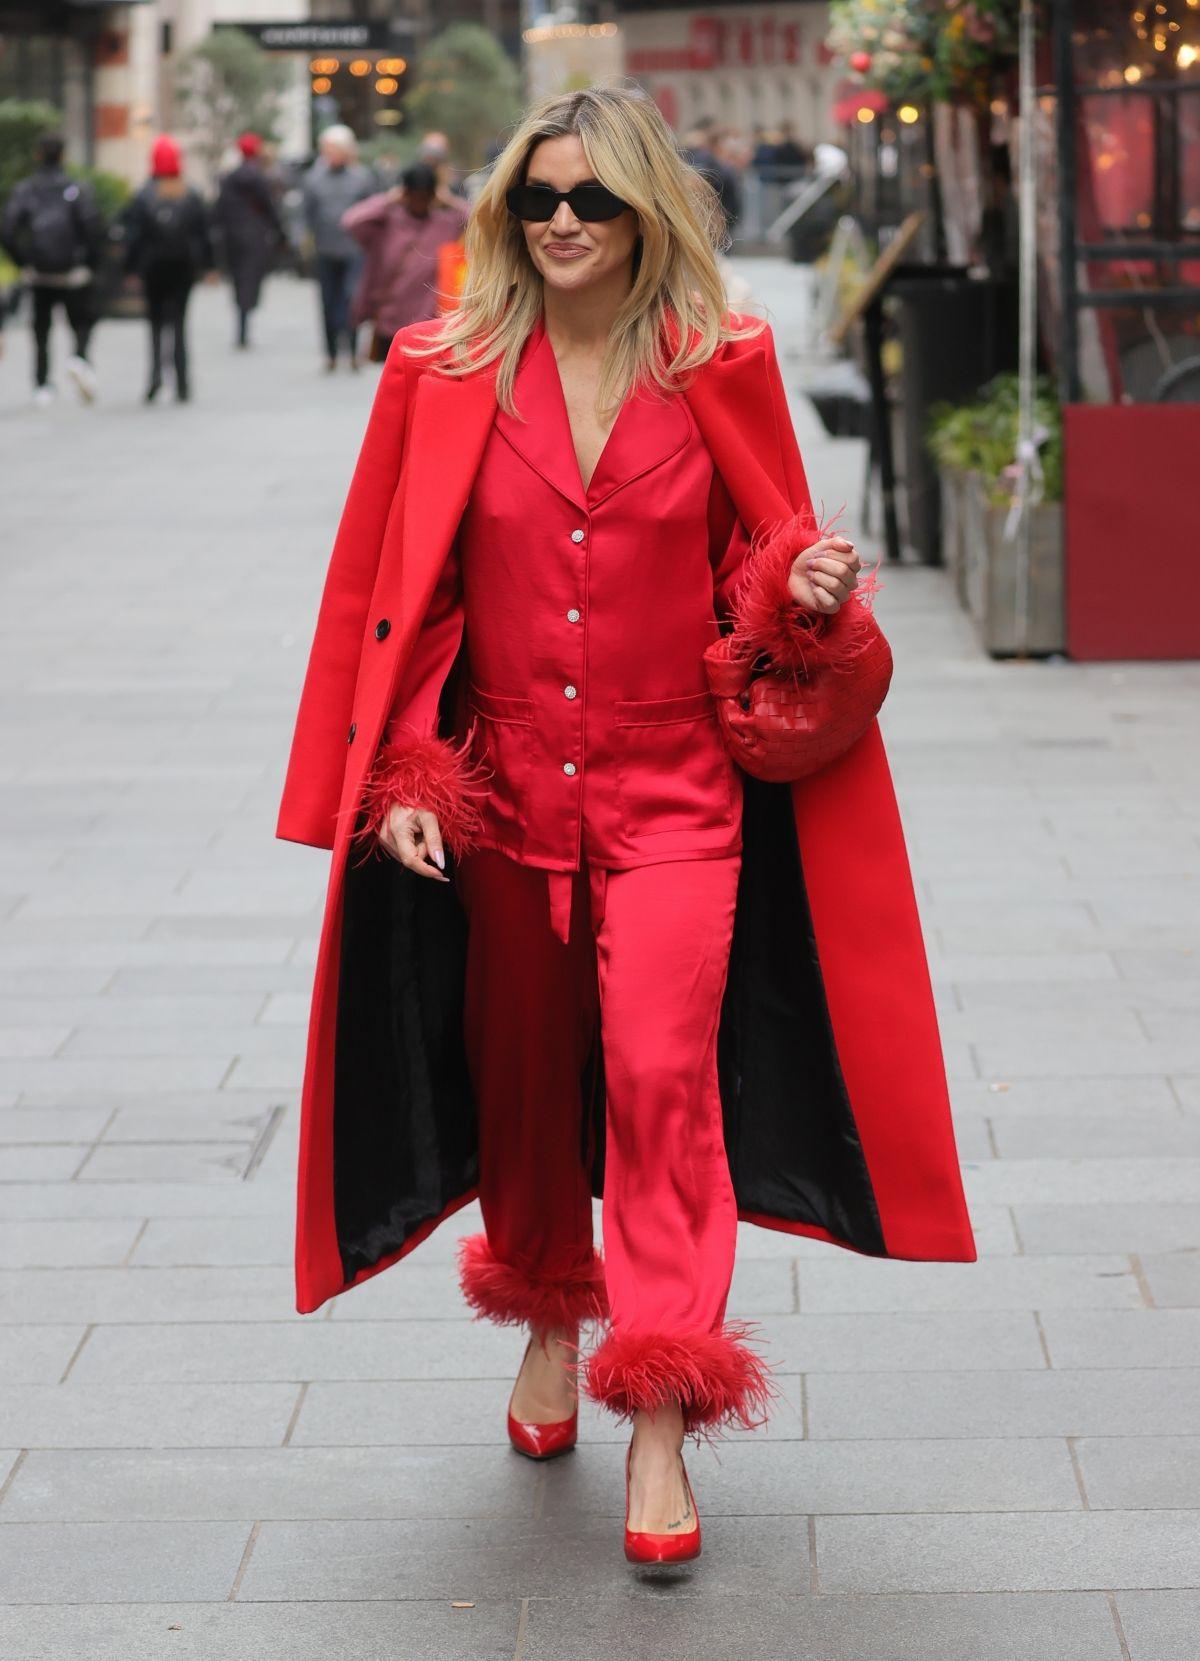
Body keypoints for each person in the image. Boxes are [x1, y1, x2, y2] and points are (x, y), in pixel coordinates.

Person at [275, 84, 975, 1567]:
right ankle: (542, 1304)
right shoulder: (439, 366)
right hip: (508, 795)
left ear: (649, 208)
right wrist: (404, 774)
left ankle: (658, 1405)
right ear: (506, 214)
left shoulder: (723, 361)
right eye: (538, 199)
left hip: (679, 800)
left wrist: (796, 589)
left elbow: (755, 559)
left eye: (593, 199)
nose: (565, 223)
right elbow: (403, 600)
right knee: (524, 1079)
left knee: (663, 1079)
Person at [0, 132, 105, 406]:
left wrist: (24, 263)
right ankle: (80, 360)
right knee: (81, 322)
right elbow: (94, 229)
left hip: (40, 272)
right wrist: (89, 265)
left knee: (41, 329)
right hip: (72, 273)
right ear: (62, 155)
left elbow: (7, 231)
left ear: (38, 155)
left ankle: (42, 384)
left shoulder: (26, 189)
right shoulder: (76, 188)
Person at [341, 162, 469, 360]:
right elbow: (351, 220)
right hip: (391, 320)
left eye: (426, 196)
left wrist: (450, 200)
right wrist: (388, 199)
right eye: (415, 195)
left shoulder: (446, 224)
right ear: (405, 193)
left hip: (429, 321)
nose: (420, 202)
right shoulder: (386, 222)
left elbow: (479, 219)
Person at [121, 135, 213, 404]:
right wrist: (209, 266)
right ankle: (183, 382)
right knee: (181, 324)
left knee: (155, 325)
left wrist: (131, 270)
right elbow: (203, 235)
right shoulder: (191, 194)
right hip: (183, 269)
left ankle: (154, 379)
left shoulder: (143, 196)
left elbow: (134, 237)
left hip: (153, 269)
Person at [302, 124, 375, 372]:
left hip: (355, 250)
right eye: (326, 149)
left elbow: (374, 212)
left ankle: (353, 351)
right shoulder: (313, 179)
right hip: (325, 249)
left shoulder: (362, 178)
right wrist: (302, 238)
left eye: (334, 149)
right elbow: (306, 214)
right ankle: (331, 353)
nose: (329, 154)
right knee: (327, 301)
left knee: (352, 298)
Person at [214, 132, 287, 349]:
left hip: (233, 236)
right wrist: (280, 233)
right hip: (255, 236)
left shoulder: (229, 178)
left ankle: (242, 319)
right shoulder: (259, 178)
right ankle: (246, 316)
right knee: (251, 279)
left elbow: (219, 209)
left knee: (239, 279)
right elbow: (269, 208)